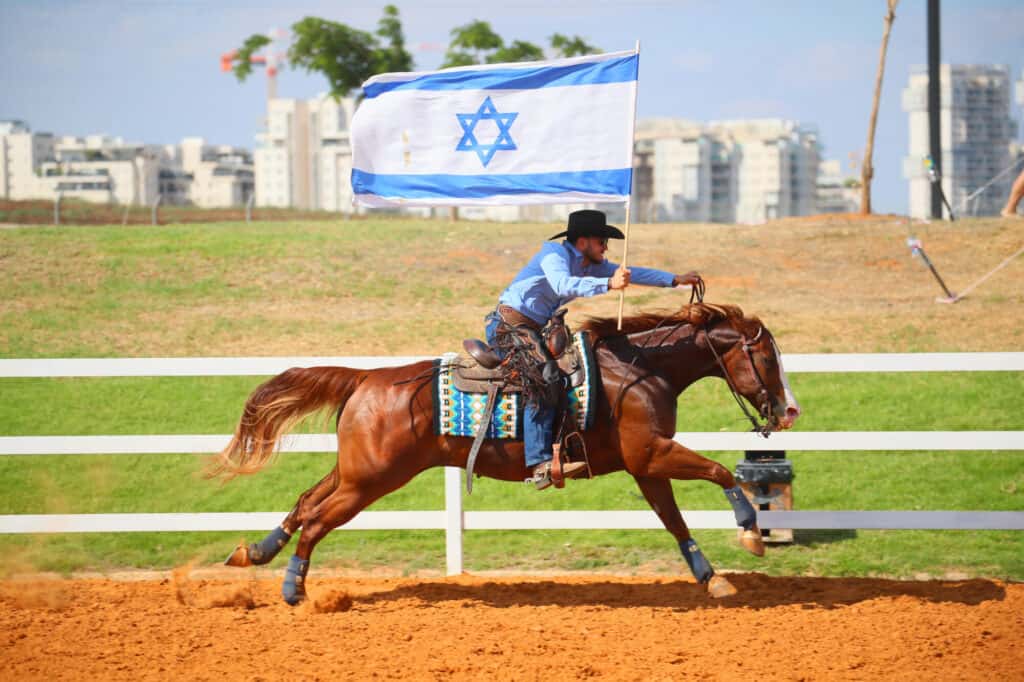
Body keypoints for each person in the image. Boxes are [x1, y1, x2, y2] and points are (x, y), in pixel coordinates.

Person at [486, 209, 702, 490]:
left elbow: (632, 273)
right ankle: (539, 462)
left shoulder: (591, 264)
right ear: (584, 241)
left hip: (534, 328)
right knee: (544, 376)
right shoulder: (553, 253)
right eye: (602, 240)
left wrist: (674, 279)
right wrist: (608, 284)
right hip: (508, 325)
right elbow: (562, 283)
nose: (606, 247)